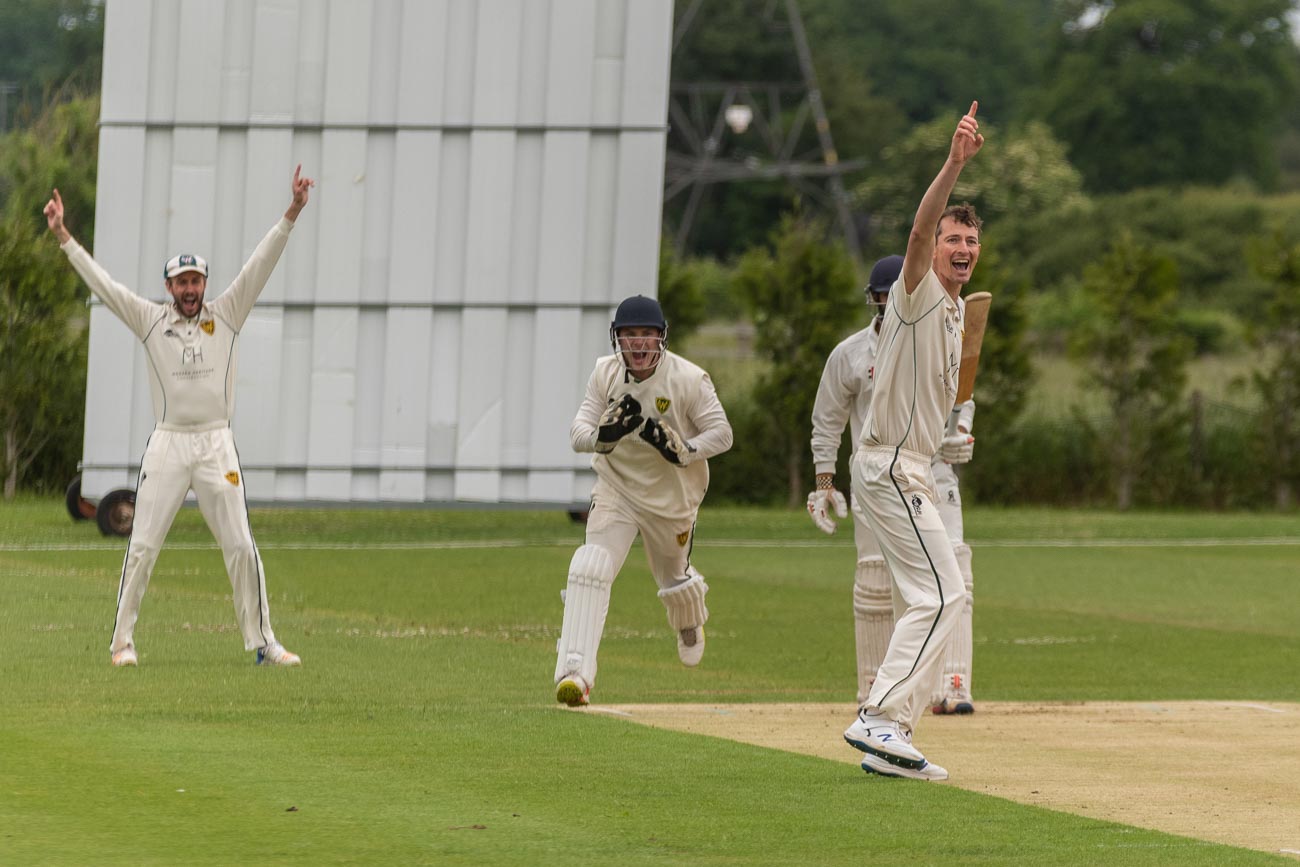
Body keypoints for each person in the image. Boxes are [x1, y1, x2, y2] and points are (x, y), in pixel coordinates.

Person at [44, 166, 315, 668]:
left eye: (196, 280)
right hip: (168, 445)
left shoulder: (227, 313)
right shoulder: (150, 321)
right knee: (143, 546)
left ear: (205, 283)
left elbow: (260, 264)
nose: (189, 289)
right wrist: (63, 236)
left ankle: (262, 643)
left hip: (217, 445)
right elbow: (105, 287)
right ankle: (122, 644)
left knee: (241, 546)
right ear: (169, 286)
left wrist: (293, 211)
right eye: (181, 281)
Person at [839, 102, 984, 780]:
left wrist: (950, 442)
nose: (961, 248)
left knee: (937, 595)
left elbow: (934, 400)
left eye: (970, 242)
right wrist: (953, 165)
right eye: (955, 238)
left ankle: (891, 740)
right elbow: (919, 228)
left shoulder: (955, 312)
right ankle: (879, 717)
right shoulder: (917, 292)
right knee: (938, 596)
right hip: (890, 468)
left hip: (912, 465)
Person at [808, 256, 979, 715]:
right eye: (882, 297)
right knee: (875, 580)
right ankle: (872, 686)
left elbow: (963, 401)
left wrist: (961, 438)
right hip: (880, 479)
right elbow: (826, 422)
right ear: (875, 299)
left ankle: (953, 683)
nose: (889, 304)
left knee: (954, 575)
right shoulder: (850, 354)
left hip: (934, 474)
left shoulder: (941, 338)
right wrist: (824, 482)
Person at [555, 295, 733, 706]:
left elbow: (722, 434)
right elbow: (578, 432)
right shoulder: (605, 373)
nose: (638, 344)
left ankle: (689, 621)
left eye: (646, 335)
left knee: (674, 579)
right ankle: (575, 674)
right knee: (591, 566)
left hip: (672, 500)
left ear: (661, 338)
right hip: (617, 490)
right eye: (629, 335)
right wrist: (605, 435)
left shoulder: (689, 380)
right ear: (617, 339)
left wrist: (684, 449)